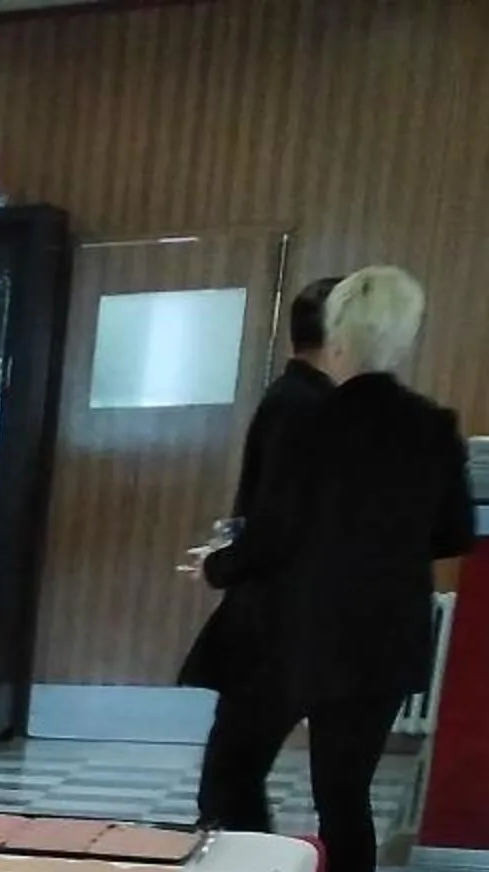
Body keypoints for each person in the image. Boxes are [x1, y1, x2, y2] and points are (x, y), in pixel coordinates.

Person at [202, 264, 473, 872]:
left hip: (296, 631)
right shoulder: (433, 426)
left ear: (341, 334)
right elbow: (453, 533)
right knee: (344, 796)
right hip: (383, 635)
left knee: (234, 772)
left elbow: (272, 529)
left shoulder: (306, 418)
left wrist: (217, 567)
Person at [183, 277, 338, 828]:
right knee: (234, 774)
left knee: (235, 770)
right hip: (280, 617)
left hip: (288, 615)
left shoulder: (306, 401)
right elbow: (278, 524)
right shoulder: (304, 406)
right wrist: (222, 564)